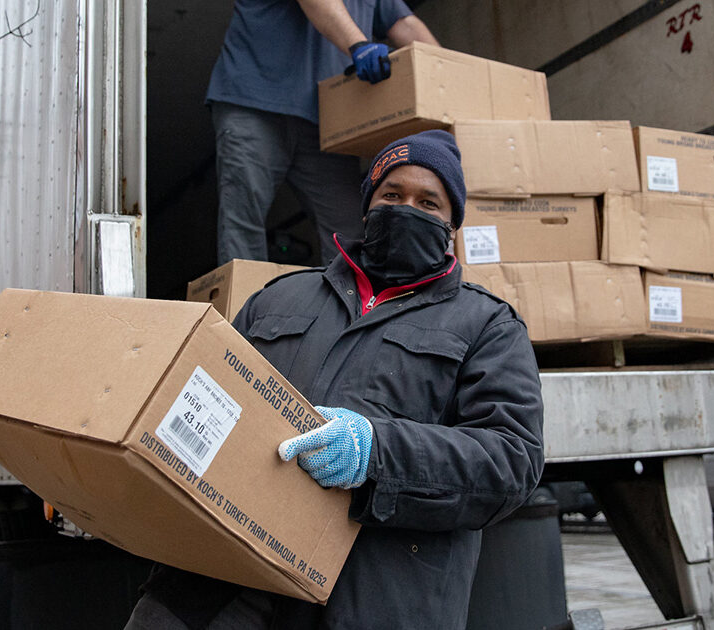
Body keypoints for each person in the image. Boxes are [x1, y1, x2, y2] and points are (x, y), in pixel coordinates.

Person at [126, 130, 544, 629]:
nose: (406, 207)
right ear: (368, 206)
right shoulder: (278, 299)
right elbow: (207, 402)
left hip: (370, 599)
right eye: (392, 195)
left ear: (452, 223)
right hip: (222, 585)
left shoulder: (487, 325)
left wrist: (376, 452)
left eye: (428, 201)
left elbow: (511, 462)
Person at [209, 0, 439, 266]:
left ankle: (346, 307)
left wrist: (449, 72)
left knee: (348, 232)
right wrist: (359, 46)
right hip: (255, 104)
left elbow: (404, 23)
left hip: (327, 124)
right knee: (243, 221)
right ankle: (243, 307)